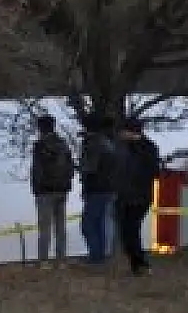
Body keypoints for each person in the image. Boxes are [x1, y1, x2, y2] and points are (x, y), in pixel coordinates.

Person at [114, 118, 162, 276]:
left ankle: (139, 263)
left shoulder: (140, 149)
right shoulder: (146, 147)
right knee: (128, 230)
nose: (120, 134)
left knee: (130, 230)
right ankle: (137, 263)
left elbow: (149, 172)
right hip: (133, 195)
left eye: (123, 131)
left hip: (137, 196)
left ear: (130, 131)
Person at [29, 114, 74, 268]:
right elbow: (70, 167)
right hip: (62, 190)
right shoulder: (63, 144)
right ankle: (61, 260)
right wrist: (67, 185)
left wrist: (36, 189)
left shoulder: (39, 146)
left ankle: (44, 261)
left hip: (44, 192)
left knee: (45, 227)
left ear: (40, 128)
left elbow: (37, 170)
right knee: (61, 227)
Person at [79, 113, 119, 265]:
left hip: (96, 189)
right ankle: (101, 254)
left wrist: (82, 173)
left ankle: (96, 255)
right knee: (102, 222)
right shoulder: (107, 143)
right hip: (108, 188)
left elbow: (90, 168)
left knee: (88, 224)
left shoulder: (93, 144)